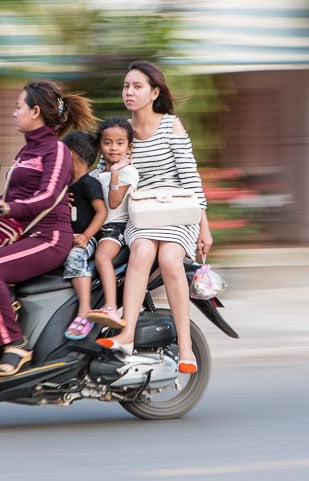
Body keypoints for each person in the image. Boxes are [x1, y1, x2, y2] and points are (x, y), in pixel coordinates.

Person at [91, 60, 213, 375]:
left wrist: (204, 227)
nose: (129, 92)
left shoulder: (171, 125)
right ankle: (127, 333)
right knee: (142, 251)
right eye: (126, 86)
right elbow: (102, 171)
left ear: (154, 92)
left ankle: (186, 348)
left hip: (177, 212)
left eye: (137, 86)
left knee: (171, 261)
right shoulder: (122, 132)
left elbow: (190, 177)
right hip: (142, 214)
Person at [0, 79, 98, 377]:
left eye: (18, 107)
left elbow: (46, 197)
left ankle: (15, 344)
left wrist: (5, 208)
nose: (13, 113)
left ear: (35, 112)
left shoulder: (55, 151)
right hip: (24, 234)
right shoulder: (25, 152)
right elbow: (15, 197)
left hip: (50, 238)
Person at [84, 117, 139, 329]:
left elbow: (114, 204)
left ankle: (110, 306)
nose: (113, 148)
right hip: (94, 228)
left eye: (119, 143)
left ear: (129, 147)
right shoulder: (95, 174)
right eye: (107, 143)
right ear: (100, 146)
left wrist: (115, 173)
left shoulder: (128, 172)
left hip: (115, 228)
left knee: (102, 256)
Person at [60, 132, 108, 340]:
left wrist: (87, 236)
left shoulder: (89, 183)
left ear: (69, 155)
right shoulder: (66, 185)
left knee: (75, 256)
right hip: (68, 238)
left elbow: (102, 212)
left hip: (85, 241)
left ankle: (85, 311)